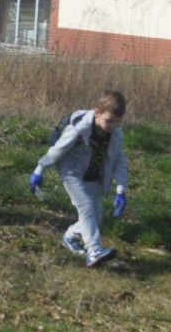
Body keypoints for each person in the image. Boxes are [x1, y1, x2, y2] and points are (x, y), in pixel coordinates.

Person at [29, 89, 129, 268]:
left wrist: (121, 189)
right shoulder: (80, 127)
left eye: (118, 122)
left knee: (95, 216)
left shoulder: (116, 134)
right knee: (86, 206)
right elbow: (58, 149)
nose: (113, 125)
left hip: (92, 175)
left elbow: (119, 162)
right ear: (97, 113)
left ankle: (70, 236)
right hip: (71, 172)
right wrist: (39, 169)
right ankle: (94, 251)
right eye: (109, 120)